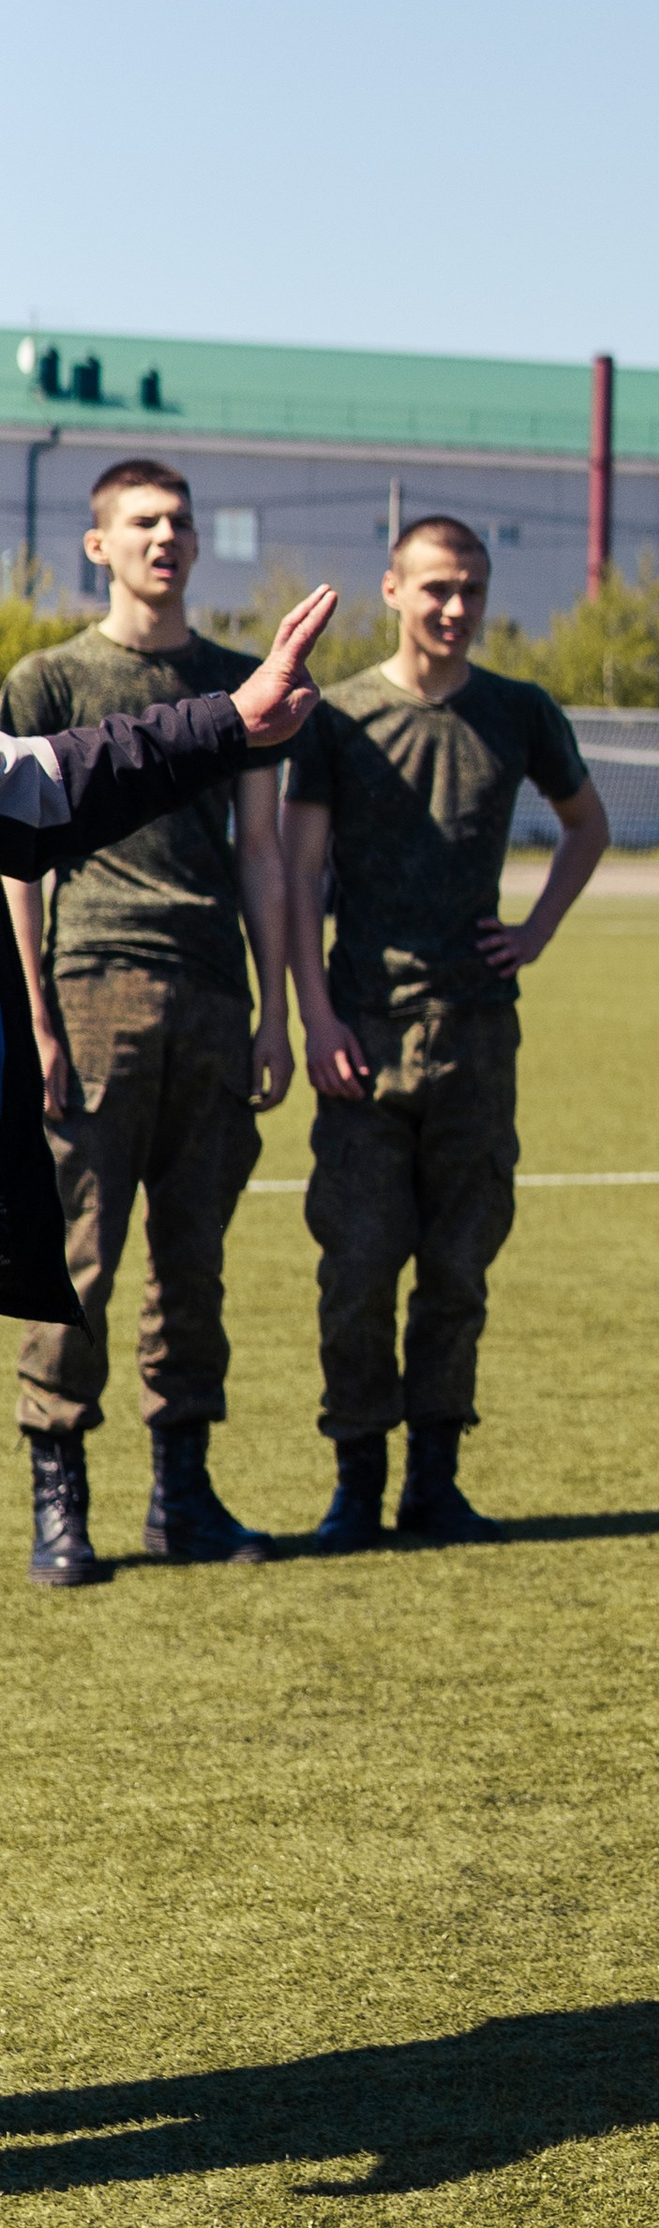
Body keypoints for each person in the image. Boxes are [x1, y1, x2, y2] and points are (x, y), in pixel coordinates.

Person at [3, 583, 337, 1583]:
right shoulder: (50, 674)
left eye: (180, 518)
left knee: (193, 1259)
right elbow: (23, 857)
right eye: (143, 519)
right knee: (79, 1260)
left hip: (206, 992)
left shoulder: (227, 675)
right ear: (99, 541)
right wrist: (37, 1014)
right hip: (91, 988)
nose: (167, 538)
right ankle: (60, 1496)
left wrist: (272, 1007)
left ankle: (180, 1491)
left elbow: (45, 790)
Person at [285, 517, 608, 1549]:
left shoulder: (518, 711)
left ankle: (435, 1481)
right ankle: (355, 1486)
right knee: (358, 1271)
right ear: (392, 589)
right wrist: (315, 1014)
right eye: (436, 587)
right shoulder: (338, 720)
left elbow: (585, 824)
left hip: (477, 1036)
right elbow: (295, 876)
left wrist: (537, 932)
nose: (456, 606)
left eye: (471, 587)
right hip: (363, 1039)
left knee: (458, 1271)